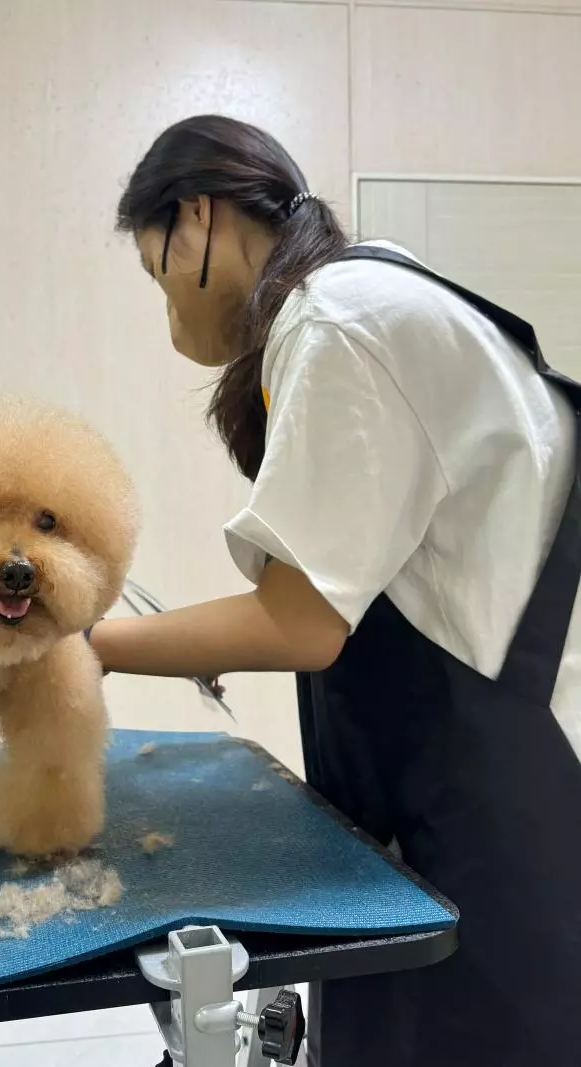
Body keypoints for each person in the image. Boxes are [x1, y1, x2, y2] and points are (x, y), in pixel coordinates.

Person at [89, 115, 581, 1066]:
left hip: (504, 798)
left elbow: (300, 620)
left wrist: (94, 645)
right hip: (462, 774)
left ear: (197, 218)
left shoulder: (337, 320)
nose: (168, 310)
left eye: (157, 273)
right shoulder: (362, 295)